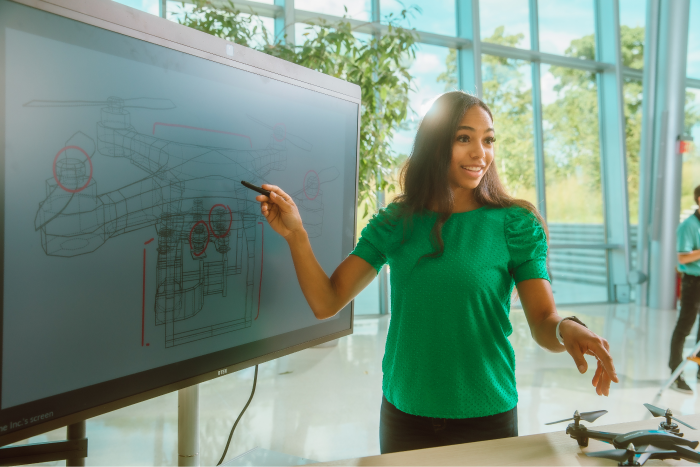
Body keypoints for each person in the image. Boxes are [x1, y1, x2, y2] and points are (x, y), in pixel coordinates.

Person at [255, 92, 618, 454]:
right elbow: (326, 301)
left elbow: (543, 321)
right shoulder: (396, 222)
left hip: (486, 415)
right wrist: (296, 235)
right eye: (464, 138)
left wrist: (566, 326)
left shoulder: (515, 225)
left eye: (488, 139)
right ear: (435, 144)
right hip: (404, 417)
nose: (481, 153)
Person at [668, 184, 700, 394]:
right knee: (684, 329)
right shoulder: (688, 225)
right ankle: (675, 375)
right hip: (693, 282)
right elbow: (683, 257)